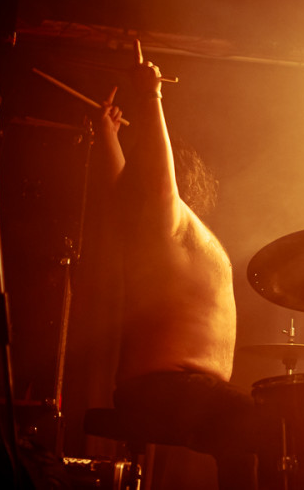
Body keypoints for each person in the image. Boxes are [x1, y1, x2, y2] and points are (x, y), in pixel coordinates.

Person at [92, 41, 255, 488]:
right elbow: (159, 182)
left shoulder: (155, 234)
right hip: (168, 389)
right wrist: (151, 96)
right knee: (267, 426)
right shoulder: (168, 219)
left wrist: (107, 134)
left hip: (171, 390)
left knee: (252, 429)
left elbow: (118, 190)